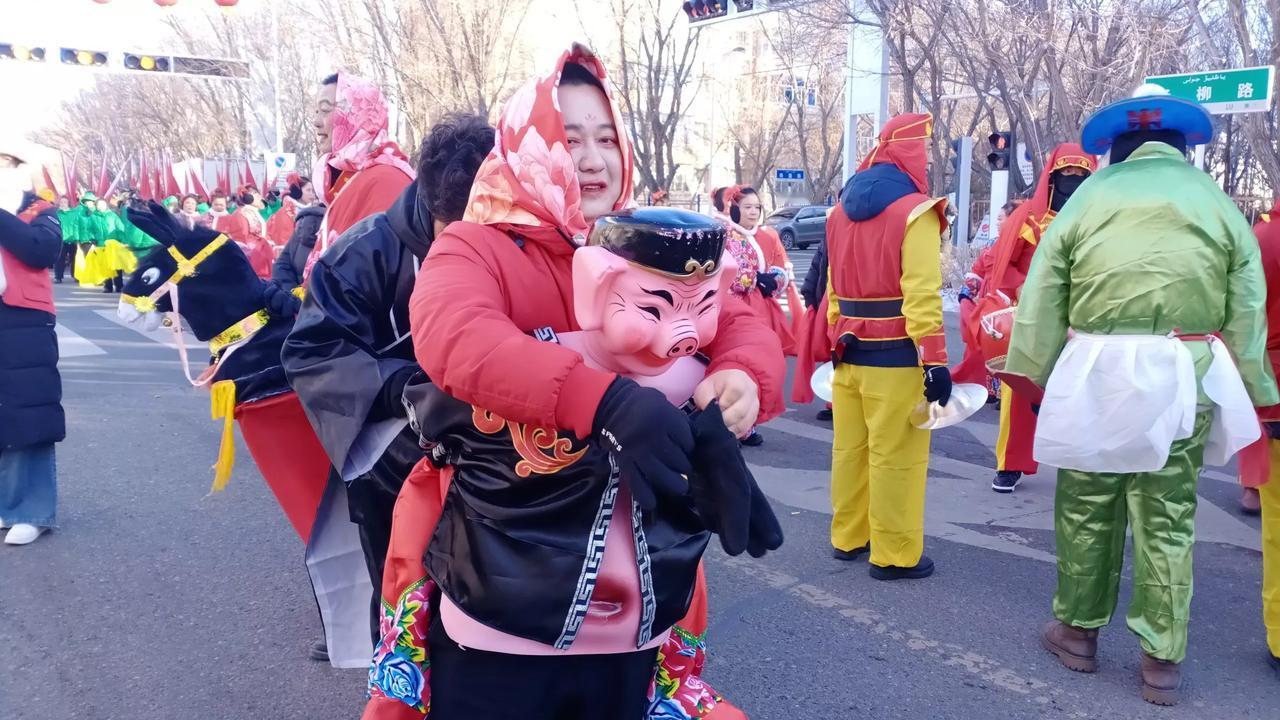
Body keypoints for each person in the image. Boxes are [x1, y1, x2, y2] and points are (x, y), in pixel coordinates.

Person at [407, 46, 785, 719]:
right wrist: (602, 399)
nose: (591, 158)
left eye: (606, 138)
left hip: (637, 606)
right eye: (568, 137)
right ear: (526, 144)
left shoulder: (648, 238)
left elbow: (740, 311)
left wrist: (739, 377)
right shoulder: (478, 245)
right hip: (503, 604)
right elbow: (456, 338)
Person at [1007, 86, 1277, 706]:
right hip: (1186, 365)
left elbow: (1044, 291)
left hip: (1097, 365)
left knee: (1086, 505)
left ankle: (1076, 633)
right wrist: (1257, 387)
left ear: (1117, 147)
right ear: (1181, 146)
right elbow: (1248, 302)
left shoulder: (1091, 197)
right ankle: (1162, 661)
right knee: (1168, 517)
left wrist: (1031, 375)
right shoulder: (1217, 201)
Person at [281, 114, 494, 660]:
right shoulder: (366, 251)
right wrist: (400, 384)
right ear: (425, 197)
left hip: (491, 465)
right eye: (452, 228)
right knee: (403, 604)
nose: (466, 245)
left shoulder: (513, 238)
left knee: (484, 612)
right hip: (391, 468)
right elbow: (311, 349)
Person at [825, 113, 949, 581]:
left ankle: (848, 537)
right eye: (927, 149)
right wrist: (934, 360)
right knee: (897, 457)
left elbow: (833, 292)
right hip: (896, 357)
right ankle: (895, 554)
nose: (930, 158)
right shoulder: (915, 210)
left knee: (849, 451)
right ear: (912, 151)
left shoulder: (838, 211)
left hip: (847, 354)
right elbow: (921, 293)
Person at [965, 145, 1096, 494]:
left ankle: (1083, 463)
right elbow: (1002, 264)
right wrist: (1029, 291)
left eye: (1081, 176)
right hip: (1033, 318)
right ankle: (1011, 463)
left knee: (1086, 392)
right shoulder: (1028, 218)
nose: (1073, 181)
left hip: (1085, 318)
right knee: (1020, 391)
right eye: (1066, 175)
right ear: (1052, 177)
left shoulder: (1101, 219)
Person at [0, 142, 64, 546]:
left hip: (23, 317)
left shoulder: (41, 210)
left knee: (27, 411)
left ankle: (30, 510)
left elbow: (40, 251)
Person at [302, 72, 414, 279]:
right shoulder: (349, 178)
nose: (316, 121)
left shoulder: (387, 181)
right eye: (316, 111)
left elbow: (376, 278)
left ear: (356, 115)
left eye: (326, 110)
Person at [213, 184, 273, 278]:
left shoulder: (254, 212)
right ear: (247, 197)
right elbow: (241, 240)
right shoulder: (241, 213)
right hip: (252, 260)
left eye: (258, 194)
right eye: (255, 193)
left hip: (261, 258)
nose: (259, 197)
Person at [265, 174, 312, 248]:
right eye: (308, 190)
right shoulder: (287, 213)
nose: (312, 194)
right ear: (298, 192)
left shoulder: (308, 210)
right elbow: (284, 243)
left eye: (312, 191)